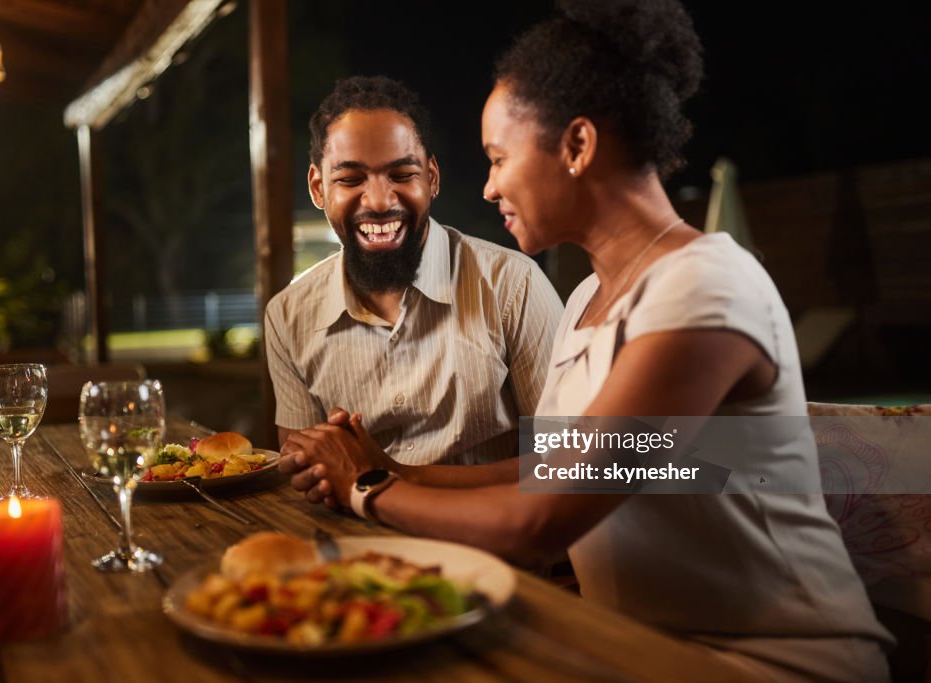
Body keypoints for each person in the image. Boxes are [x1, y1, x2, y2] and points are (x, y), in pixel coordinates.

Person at [278, 2, 892, 680]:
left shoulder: (703, 287)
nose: (487, 186)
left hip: (770, 660)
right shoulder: (584, 303)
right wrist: (396, 468)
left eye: (499, 157)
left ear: (576, 146)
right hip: (632, 648)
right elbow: (554, 468)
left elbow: (543, 518)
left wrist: (366, 487)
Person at [265, 76, 563, 466]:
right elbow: (303, 469)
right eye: (350, 179)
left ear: (431, 178)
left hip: (484, 526)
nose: (379, 200)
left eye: (402, 175)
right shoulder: (288, 317)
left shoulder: (514, 286)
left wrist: (391, 481)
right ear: (318, 188)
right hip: (353, 527)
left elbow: (568, 464)